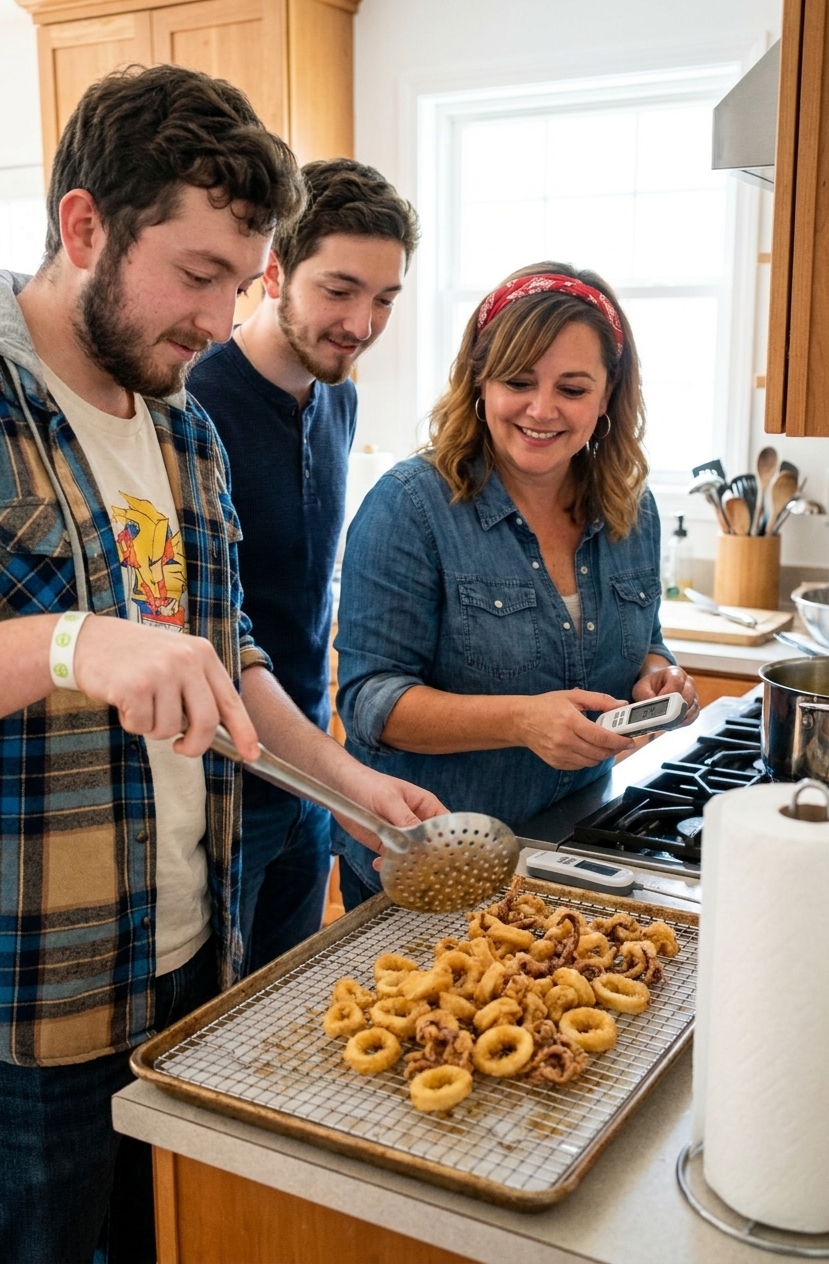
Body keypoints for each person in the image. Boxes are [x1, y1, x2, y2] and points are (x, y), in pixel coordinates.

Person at [0, 65, 443, 1264]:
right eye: (197, 277)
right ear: (85, 225)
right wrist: (71, 643)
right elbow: (90, 647)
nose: (214, 320)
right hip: (34, 990)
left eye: (238, 286)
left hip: (198, 953)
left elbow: (228, 648)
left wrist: (348, 782)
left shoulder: (184, 421)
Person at [333, 262, 699, 906]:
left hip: (575, 848)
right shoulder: (410, 508)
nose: (542, 409)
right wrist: (522, 721)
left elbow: (646, 639)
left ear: (609, 394)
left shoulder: (631, 509)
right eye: (519, 381)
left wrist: (656, 673)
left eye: (573, 388)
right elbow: (371, 704)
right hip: (440, 864)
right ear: (480, 382)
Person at [188, 160, 419, 971]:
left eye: (384, 298)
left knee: (287, 1006)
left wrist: (333, 773)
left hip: (310, 775)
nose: (361, 322)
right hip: (214, 792)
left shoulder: (338, 396)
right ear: (274, 271)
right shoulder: (190, 403)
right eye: (340, 289)